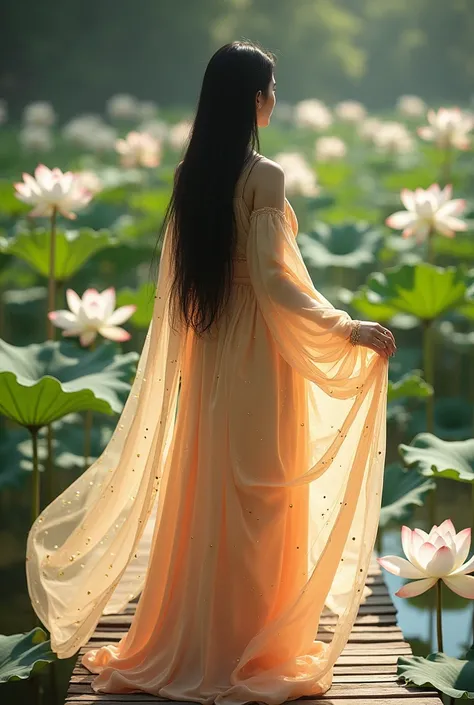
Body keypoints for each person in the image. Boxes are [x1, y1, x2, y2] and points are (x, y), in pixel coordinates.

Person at [26, 40, 395, 704]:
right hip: (260, 353)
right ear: (256, 99)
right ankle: (250, 645)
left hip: (211, 351)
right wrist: (348, 326)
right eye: (273, 88)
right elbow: (276, 281)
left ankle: (199, 638)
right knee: (262, 496)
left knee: (211, 493)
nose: (275, 99)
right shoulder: (266, 177)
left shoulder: (187, 175)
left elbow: (186, 283)